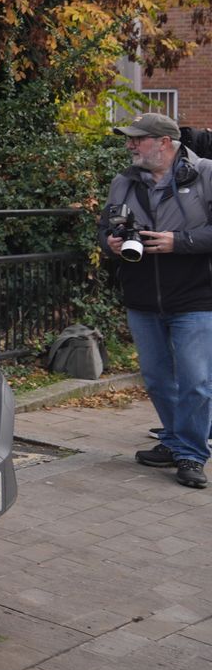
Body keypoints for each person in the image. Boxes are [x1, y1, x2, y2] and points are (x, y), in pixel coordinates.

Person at [100, 112, 212, 490]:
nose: (130, 145)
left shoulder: (206, 174)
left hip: (196, 296)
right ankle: (175, 440)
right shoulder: (123, 182)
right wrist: (111, 245)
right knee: (159, 379)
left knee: (196, 381)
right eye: (129, 139)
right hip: (142, 298)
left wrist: (177, 242)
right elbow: (105, 231)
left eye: (137, 139)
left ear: (165, 143)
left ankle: (192, 455)